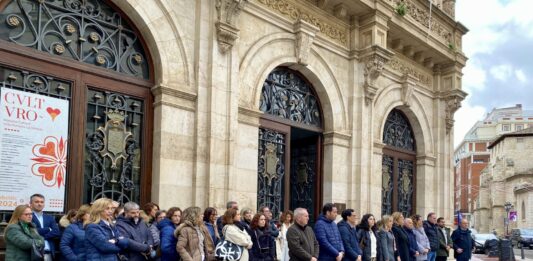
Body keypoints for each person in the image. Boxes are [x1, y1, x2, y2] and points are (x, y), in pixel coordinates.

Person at [30, 193, 61, 260]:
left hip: (48, 253)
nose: (39, 204)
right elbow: (31, 231)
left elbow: (56, 232)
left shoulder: (50, 217)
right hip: (34, 253)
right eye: (36, 202)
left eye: (42, 202)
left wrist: (42, 237)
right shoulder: (28, 216)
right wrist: (48, 229)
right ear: (31, 204)